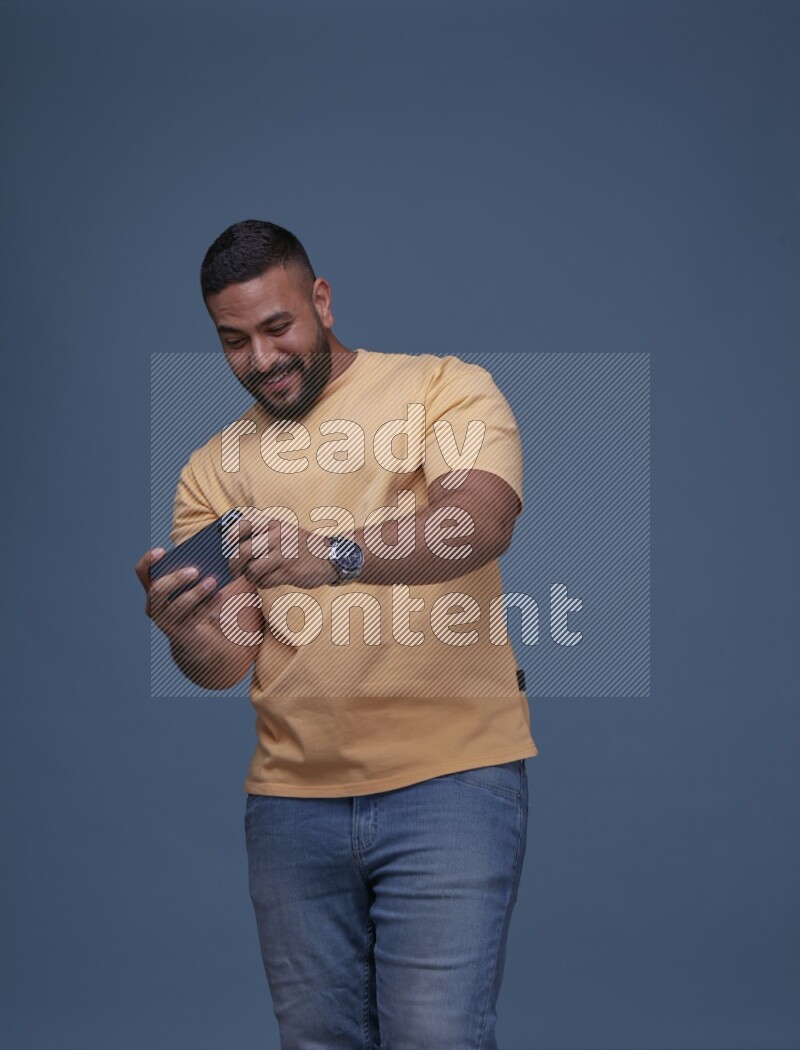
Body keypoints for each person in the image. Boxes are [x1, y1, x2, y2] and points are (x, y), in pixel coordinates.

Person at [135, 219, 539, 1049]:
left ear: (320, 301)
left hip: (451, 782)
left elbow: (480, 521)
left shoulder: (442, 388)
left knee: (436, 1038)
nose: (262, 358)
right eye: (235, 340)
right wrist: (184, 630)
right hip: (292, 805)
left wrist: (335, 555)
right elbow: (227, 658)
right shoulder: (212, 469)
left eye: (277, 326)